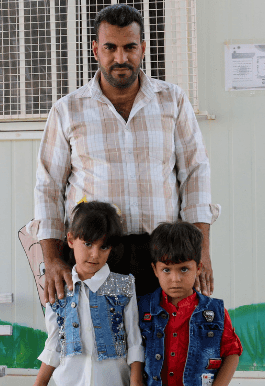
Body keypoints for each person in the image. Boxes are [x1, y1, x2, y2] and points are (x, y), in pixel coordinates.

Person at [35, 3, 219, 304]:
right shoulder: (68, 110)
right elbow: (48, 187)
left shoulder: (172, 101)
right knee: (99, 348)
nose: (121, 58)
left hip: (163, 258)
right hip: (95, 256)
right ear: (95, 50)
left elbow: (196, 176)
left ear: (143, 48)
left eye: (130, 47)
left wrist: (202, 254)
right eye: (110, 47)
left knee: (162, 346)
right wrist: (53, 259)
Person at [28, 201, 147, 386]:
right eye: (88, 244)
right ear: (71, 239)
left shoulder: (124, 286)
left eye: (104, 247)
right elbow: (54, 342)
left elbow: (134, 339)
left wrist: (136, 381)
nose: (95, 254)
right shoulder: (58, 288)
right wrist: (41, 383)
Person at [138, 222, 242, 386]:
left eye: (184, 269)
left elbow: (232, 352)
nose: (175, 279)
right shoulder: (142, 307)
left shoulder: (214, 311)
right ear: (155, 269)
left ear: (199, 268)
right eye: (166, 270)